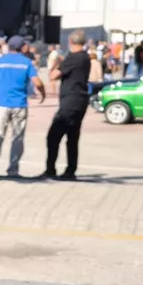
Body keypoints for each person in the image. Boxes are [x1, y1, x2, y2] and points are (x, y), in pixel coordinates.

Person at [0, 36, 45, 177]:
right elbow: (37, 82)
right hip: (19, 104)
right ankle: (13, 169)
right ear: (22, 47)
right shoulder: (26, 63)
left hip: (2, 103)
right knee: (17, 137)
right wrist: (43, 94)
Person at [44, 29, 92, 180]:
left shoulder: (73, 57)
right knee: (72, 137)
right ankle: (70, 170)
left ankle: (51, 169)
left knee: (53, 136)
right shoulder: (85, 57)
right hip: (80, 99)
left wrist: (58, 62)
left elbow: (53, 75)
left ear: (71, 41)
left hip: (70, 100)